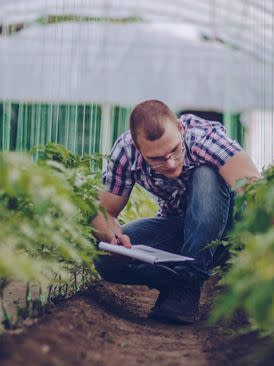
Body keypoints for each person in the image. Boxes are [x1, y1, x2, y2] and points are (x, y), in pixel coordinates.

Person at [90, 99, 261, 324]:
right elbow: (105, 212)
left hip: (225, 234)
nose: (170, 163)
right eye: (156, 159)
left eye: (174, 150)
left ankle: (187, 286)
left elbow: (257, 195)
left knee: (206, 174)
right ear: (138, 147)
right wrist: (112, 237)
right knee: (104, 259)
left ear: (180, 129)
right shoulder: (125, 152)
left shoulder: (206, 140)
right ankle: (185, 278)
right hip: (179, 228)